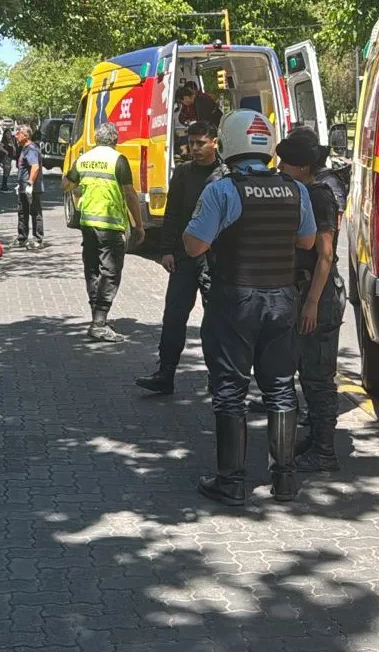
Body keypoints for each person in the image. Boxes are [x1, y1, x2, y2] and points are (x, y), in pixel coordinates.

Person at [183, 109, 316, 505]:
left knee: (230, 391)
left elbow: (194, 245)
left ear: (228, 145)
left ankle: (233, 481)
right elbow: (307, 243)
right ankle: (286, 480)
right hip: (282, 300)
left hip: (235, 301)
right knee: (280, 388)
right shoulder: (295, 189)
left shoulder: (222, 190)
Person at [276, 128, 346, 472]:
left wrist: (312, 303)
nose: (280, 167)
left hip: (318, 295)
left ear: (304, 167)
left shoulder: (319, 196)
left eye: (286, 162)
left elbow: (325, 256)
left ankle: (325, 451)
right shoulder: (300, 191)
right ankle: (316, 438)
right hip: (303, 292)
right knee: (306, 373)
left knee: (318, 377)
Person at [136, 121, 224, 393]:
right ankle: (166, 372)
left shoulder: (225, 175)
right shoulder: (183, 173)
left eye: (201, 143)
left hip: (214, 259)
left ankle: (218, 376)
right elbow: (172, 214)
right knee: (174, 316)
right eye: (192, 143)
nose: (195, 148)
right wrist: (166, 250)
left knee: (217, 320)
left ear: (215, 143)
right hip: (184, 256)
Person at [62, 122, 144, 342]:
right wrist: (138, 225)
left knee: (92, 269)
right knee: (110, 271)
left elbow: (66, 185)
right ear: (115, 140)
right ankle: (99, 323)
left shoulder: (84, 159)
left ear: (97, 139)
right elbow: (129, 194)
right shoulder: (118, 160)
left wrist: (83, 189)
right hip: (111, 225)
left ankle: (97, 316)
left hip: (88, 223)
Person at [13, 124, 44, 249]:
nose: (16, 136)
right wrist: (20, 184)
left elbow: (35, 167)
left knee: (35, 212)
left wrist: (30, 183)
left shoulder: (31, 148)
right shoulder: (24, 149)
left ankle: (37, 240)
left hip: (31, 188)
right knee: (22, 212)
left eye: (18, 133)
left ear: (25, 135)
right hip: (23, 187)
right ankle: (22, 238)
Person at [0, 127, 17, 192]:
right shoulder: (4, 141)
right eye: (7, 133)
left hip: (10, 158)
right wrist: (6, 151)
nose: (9, 134)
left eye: (10, 133)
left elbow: (14, 150)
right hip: (5, 158)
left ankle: (5, 186)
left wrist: (12, 143)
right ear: (5, 134)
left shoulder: (12, 140)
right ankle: (4, 187)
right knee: (6, 172)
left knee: (7, 172)